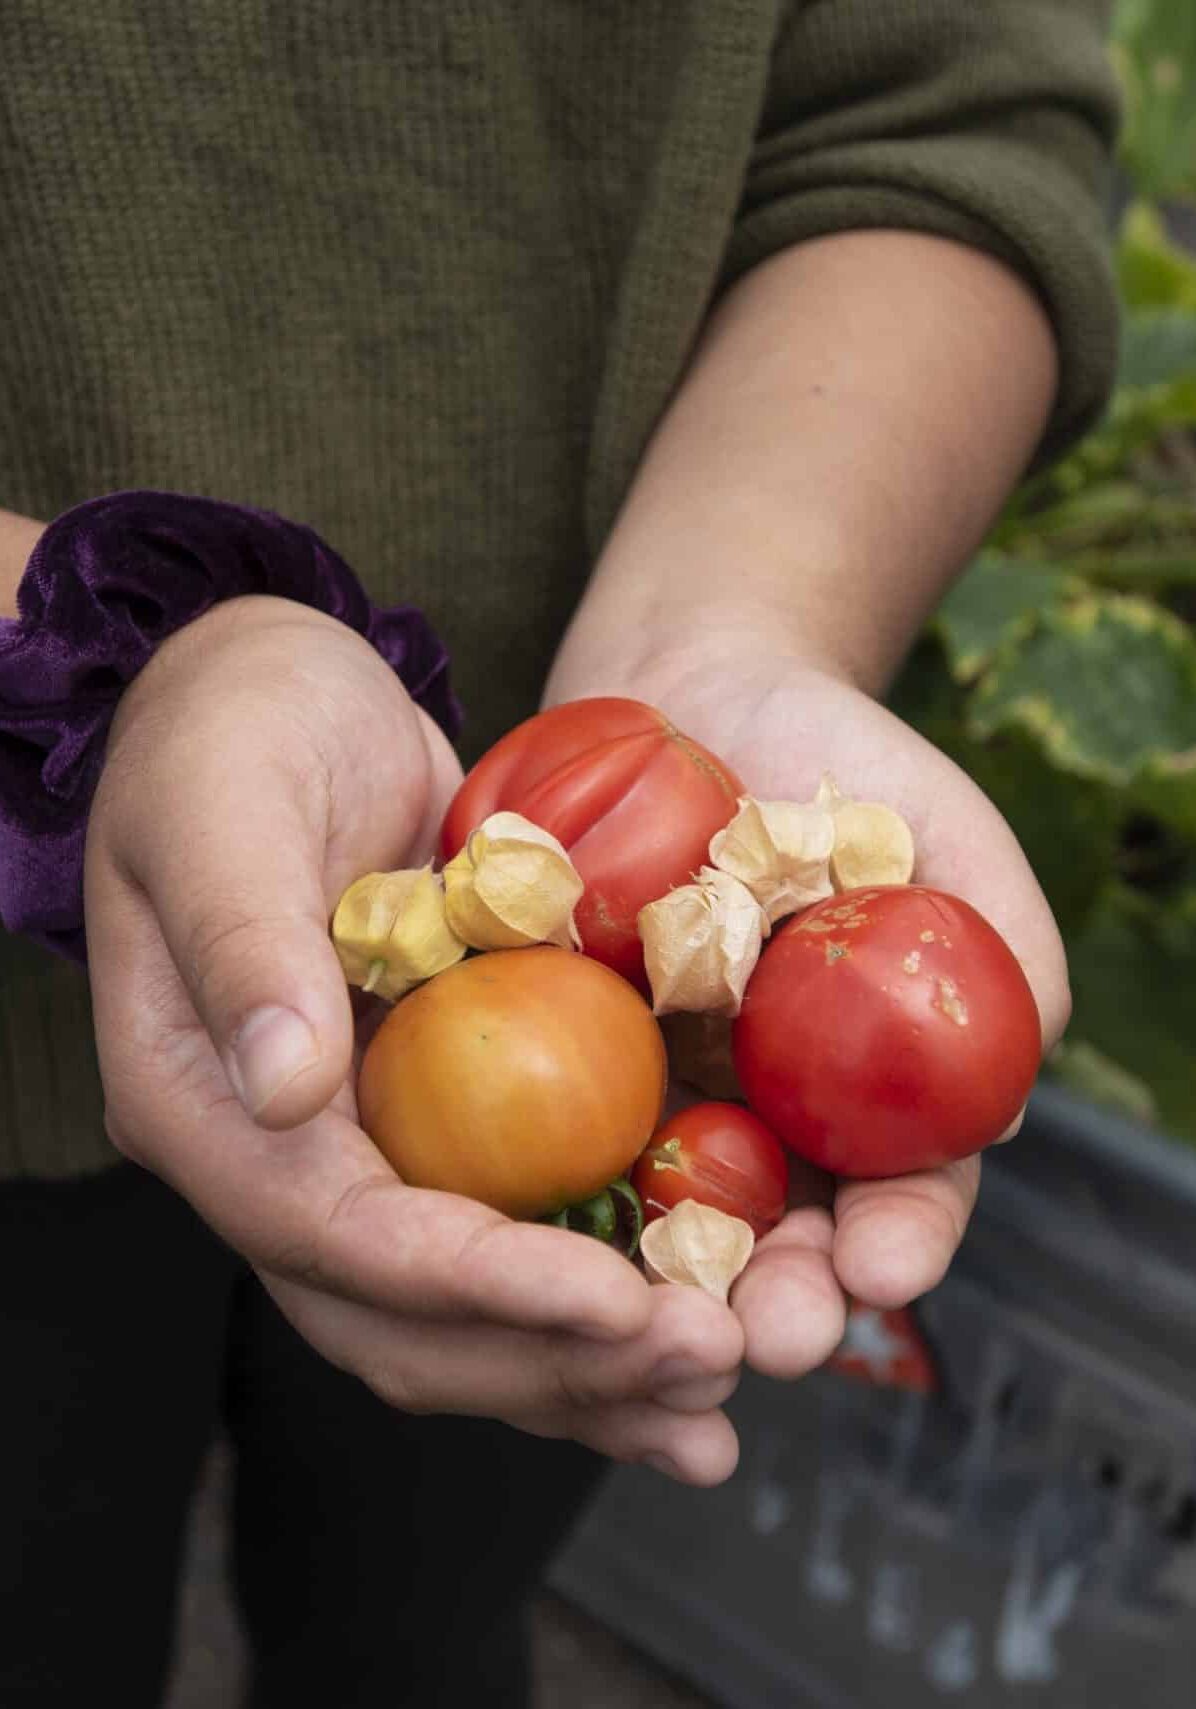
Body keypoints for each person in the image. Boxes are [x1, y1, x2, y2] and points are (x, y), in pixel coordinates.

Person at [0, 2, 1120, 1705]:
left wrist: (741, 617)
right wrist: (85, 661)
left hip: (584, 1155)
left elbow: (941, 112)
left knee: (426, 1614)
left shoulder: (642, 1083)